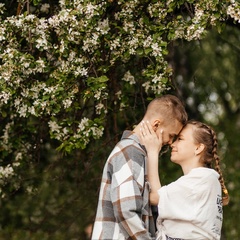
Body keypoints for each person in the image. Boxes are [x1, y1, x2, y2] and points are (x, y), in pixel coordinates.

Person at [91, 95, 188, 240]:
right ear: (156, 125)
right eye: (171, 135)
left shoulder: (138, 153)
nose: (170, 142)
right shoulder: (131, 152)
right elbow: (126, 211)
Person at [140, 120, 230, 240]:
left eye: (180, 139)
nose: (172, 144)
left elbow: (154, 197)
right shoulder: (204, 179)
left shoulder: (202, 178)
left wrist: (152, 151)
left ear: (198, 148)